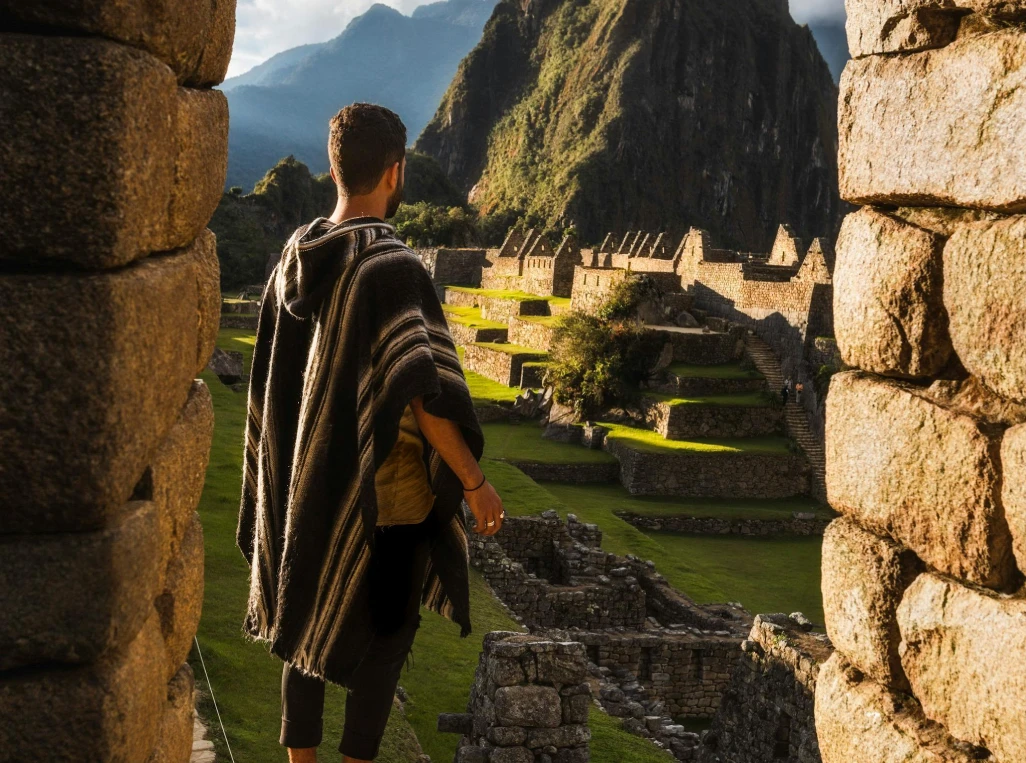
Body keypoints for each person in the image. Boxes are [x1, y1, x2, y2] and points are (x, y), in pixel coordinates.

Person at [236, 103, 505, 763]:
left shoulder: (294, 259)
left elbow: (272, 383)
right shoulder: (391, 265)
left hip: (309, 487)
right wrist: (474, 480)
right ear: (395, 171)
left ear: (334, 169)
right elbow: (423, 394)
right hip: (390, 504)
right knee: (384, 640)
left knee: (302, 623)